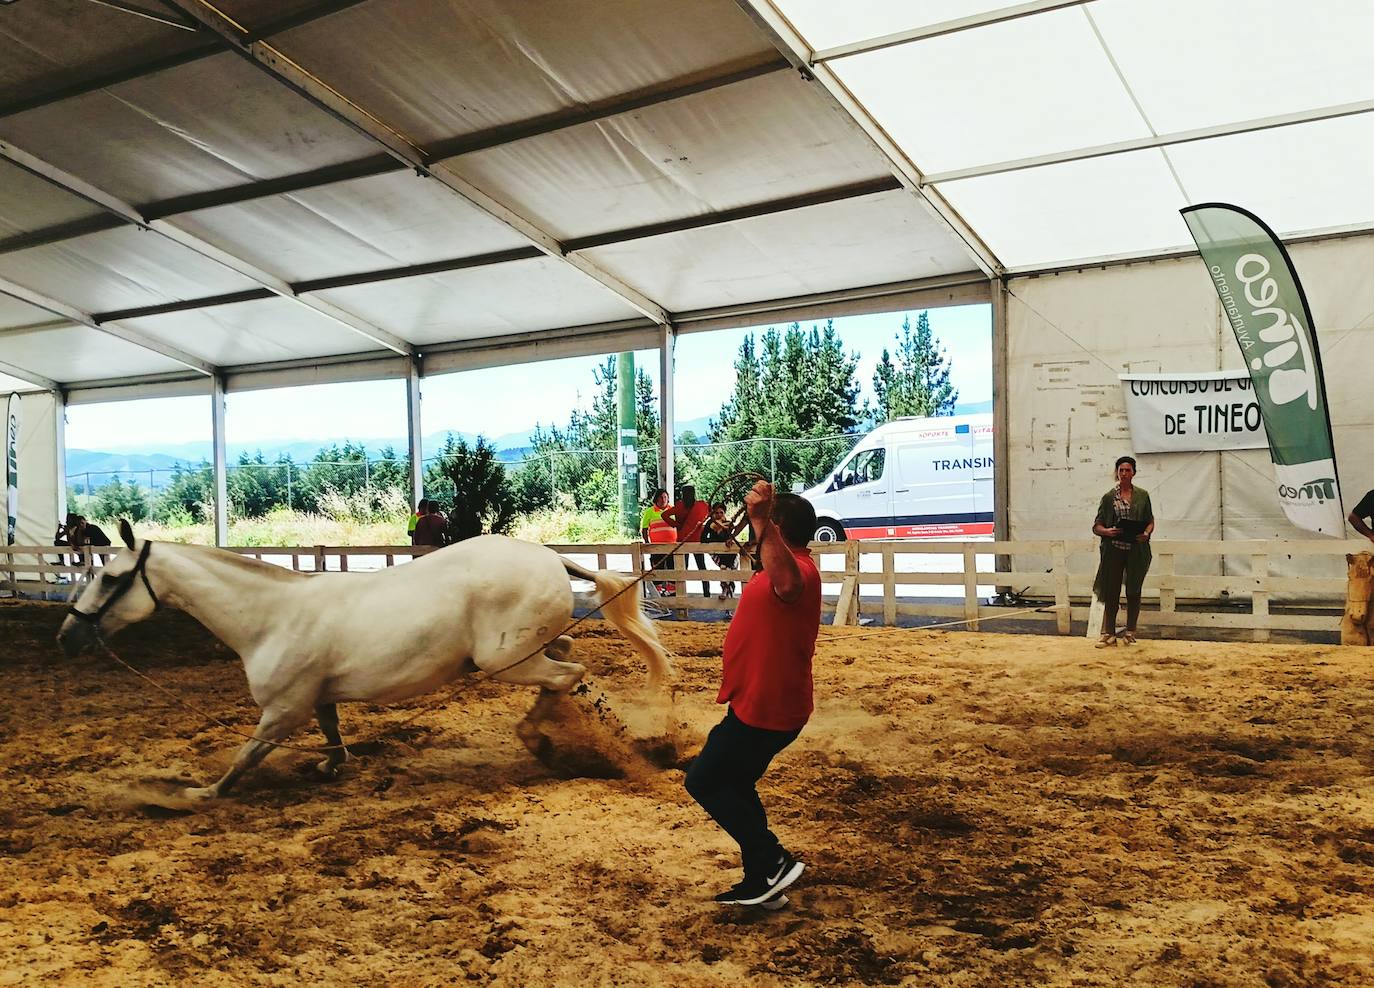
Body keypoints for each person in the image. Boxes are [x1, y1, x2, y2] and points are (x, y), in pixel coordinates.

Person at [684, 482, 821, 906]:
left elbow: (786, 582)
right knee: (736, 785)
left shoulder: (798, 571)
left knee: (704, 780)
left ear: (778, 528)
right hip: (760, 702)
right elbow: (771, 570)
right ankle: (763, 879)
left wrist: (761, 519)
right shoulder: (778, 565)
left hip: (767, 707)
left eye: (764, 524)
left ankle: (773, 860)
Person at [1091, 456, 1155, 647]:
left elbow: (1150, 520)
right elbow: (1096, 526)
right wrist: (1107, 531)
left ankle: (1131, 632)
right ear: (1117, 472)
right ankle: (1108, 633)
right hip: (1114, 549)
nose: (1124, 474)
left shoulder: (1143, 496)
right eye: (1121, 470)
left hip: (1136, 549)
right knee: (1111, 590)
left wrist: (1145, 533)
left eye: (1128, 470)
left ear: (1134, 472)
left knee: (1134, 590)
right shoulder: (1109, 497)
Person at [663, 484, 711, 598]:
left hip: (683, 540)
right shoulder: (701, 505)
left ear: (682, 494)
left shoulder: (679, 506)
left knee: (682, 568)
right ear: (693, 493)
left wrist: (677, 525)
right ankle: (707, 594)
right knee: (702, 567)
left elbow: (664, 514)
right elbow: (711, 513)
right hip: (696, 540)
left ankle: (681, 594)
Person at [640, 488, 676, 595]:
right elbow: (645, 529)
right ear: (656, 499)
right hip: (656, 546)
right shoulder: (649, 512)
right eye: (661, 497)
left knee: (672, 567)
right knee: (657, 568)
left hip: (672, 545)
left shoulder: (673, 510)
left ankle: (672, 591)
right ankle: (657, 591)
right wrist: (647, 543)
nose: (663, 499)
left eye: (665, 497)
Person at [702, 502, 740, 600]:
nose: (719, 515)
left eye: (721, 512)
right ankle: (726, 593)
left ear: (724, 513)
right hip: (718, 553)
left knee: (728, 571)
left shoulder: (728, 524)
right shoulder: (710, 524)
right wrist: (713, 540)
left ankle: (728, 598)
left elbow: (729, 537)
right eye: (716, 513)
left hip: (729, 554)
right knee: (725, 569)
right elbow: (703, 539)